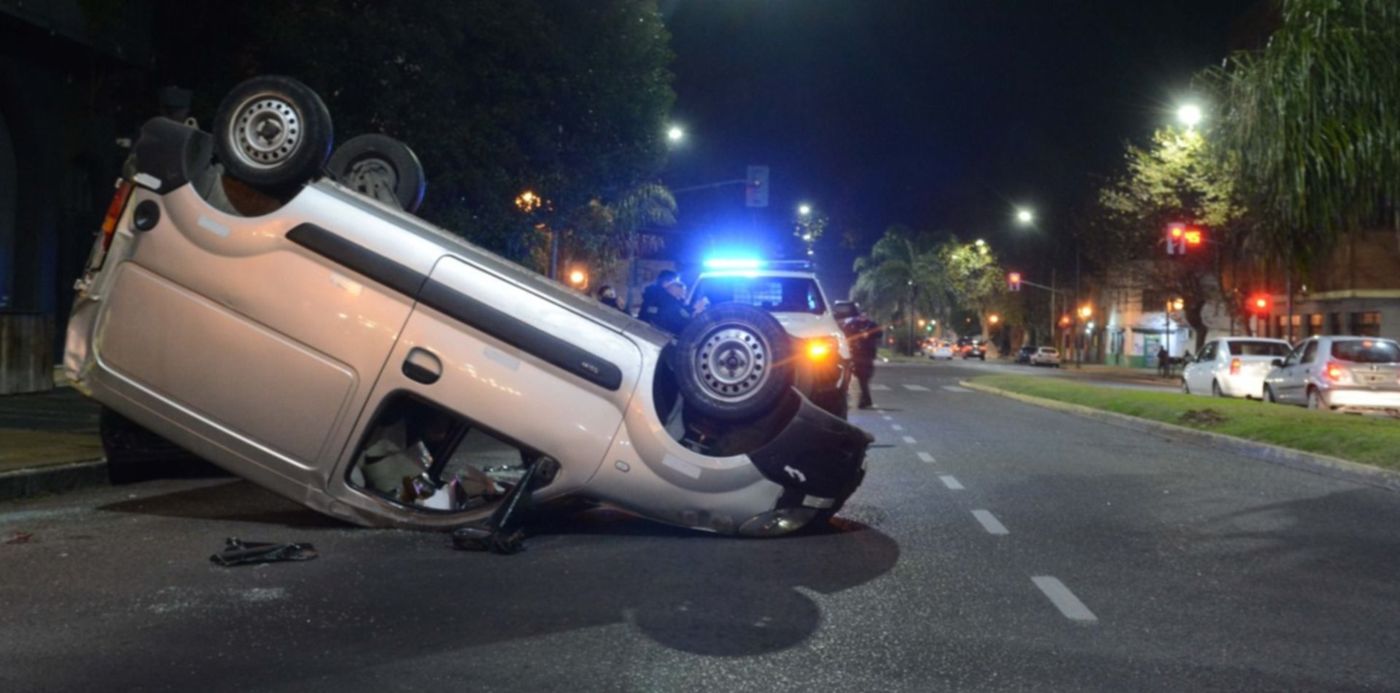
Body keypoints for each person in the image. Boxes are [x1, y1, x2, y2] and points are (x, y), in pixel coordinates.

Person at [842, 305, 883, 409]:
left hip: (866, 355)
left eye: (865, 314)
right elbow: (844, 334)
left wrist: (868, 335)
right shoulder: (851, 324)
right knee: (847, 376)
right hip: (853, 353)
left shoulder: (871, 325)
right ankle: (855, 399)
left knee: (863, 378)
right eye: (861, 314)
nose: (863, 316)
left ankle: (865, 400)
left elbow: (879, 334)